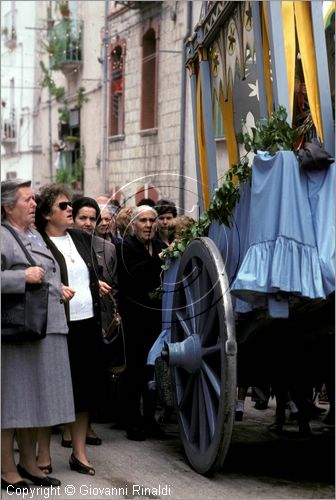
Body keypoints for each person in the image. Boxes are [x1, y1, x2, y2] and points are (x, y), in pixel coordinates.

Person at [1, 179, 75, 490]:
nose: (34, 205)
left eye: (34, 199)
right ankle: (6, 469)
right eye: (27, 200)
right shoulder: (3, 236)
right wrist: (22, 277)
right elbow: (26, 274)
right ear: (8, 207)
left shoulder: (33, 234)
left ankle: (29, 463)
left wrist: (58, 288)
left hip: (45, 327)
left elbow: (45, 272)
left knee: (34, 400)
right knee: (13, 402)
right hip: (19, 332)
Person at [35, 184, 111, 476]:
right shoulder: (38, 243)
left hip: (86, 323)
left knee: (85, 391)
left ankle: (79, 454)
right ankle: (42, 455)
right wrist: (56, 289)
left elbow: (86, 273)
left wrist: (95, 285)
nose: (71, 210)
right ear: (46, 213)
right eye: (64, 206)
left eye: (70, 206)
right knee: (50, 390)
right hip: (57, 326)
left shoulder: (80, 238)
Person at [116, 205, 165, 440]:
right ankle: (132, 421)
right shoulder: (126, 246)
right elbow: (134, 274)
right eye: (143, 220)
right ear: (133, 224)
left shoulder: (159, 246)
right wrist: (159, 259)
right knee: (134, 370)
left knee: (152, 368)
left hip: (156, 315)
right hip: (133, 316)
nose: (148, 225)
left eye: (151, 220)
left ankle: (150, 420)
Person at [71, 196, 119, 424]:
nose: (88, 223)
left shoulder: (107, 248)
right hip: (73, 317)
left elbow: (115, 285)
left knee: (94, 375)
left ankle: (87, 424)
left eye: (92, 218)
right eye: (83, 218)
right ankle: (71, 426)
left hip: (100, 320)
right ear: (73, 218)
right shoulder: (64, 244)